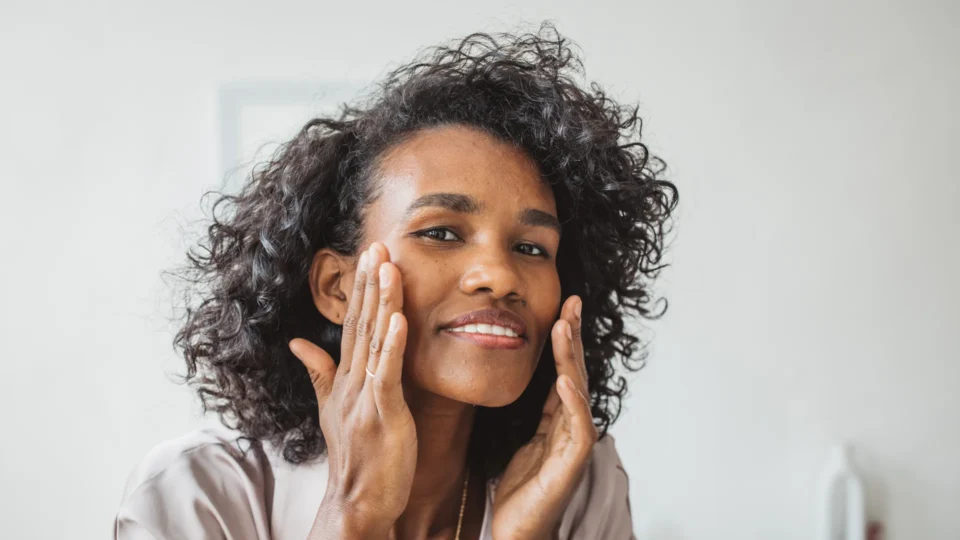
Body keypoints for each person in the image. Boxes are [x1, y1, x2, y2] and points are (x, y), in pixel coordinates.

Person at [114, 23, 678, 540]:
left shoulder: (579, 483)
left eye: (532, 247)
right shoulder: (196, 496)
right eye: (441, 233)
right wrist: (355, 512)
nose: (501, 276)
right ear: (337, 286)